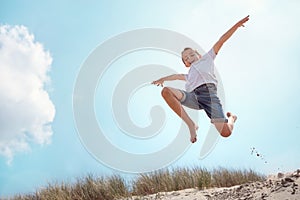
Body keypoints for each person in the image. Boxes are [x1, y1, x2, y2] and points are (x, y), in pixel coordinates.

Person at [152, 15, 249, 143]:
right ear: (185, 64)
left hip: (209, 96)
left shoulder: (207, 59)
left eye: (191, 54)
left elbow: (221, 41)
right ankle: (191, 125)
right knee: (166, 91)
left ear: (198, 54)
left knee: (225, 133)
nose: (189, 58)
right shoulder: (188, 75)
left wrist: (236, 26)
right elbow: (175, 76)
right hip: (194, 97)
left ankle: (232, 118)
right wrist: (162, 79)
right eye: (186, 58)